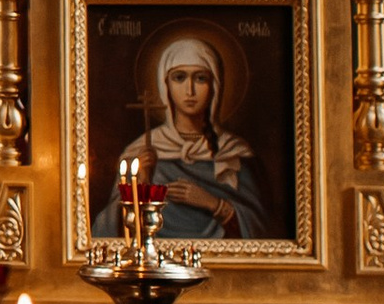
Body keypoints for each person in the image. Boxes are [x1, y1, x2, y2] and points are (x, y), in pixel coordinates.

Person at [93, 30, 272, 243]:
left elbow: (263, 230)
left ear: (215, 85)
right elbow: (104, 232)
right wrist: (137, 187)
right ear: (165, 84)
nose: (190, 90)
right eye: (179, 78)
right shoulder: (140, 152)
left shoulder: (234, 152)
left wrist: (214, 204)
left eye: (200, 78)